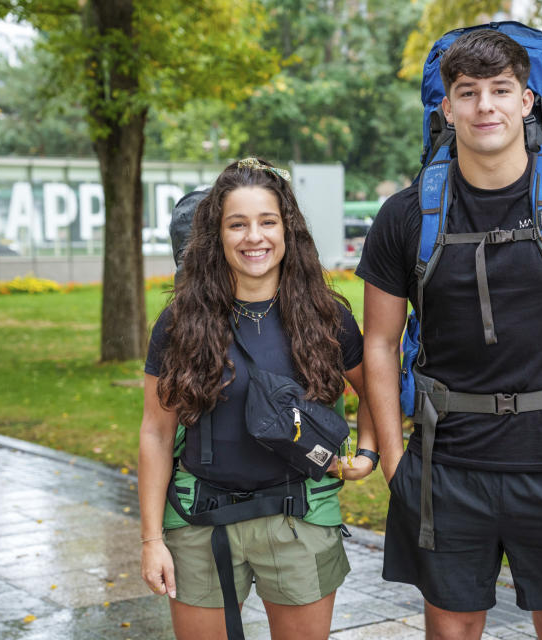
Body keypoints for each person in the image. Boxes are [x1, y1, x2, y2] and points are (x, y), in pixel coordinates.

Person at [357, 30, 542, 640]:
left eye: (500, 90)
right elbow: (379, 344)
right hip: (447, 468)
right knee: (451, 630)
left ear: (525, 100)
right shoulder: (405, 215)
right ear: (446, 107)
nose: (484, 105)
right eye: (467, 92)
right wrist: (392, 463)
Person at [138, 158, 378, 640]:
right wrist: (151, 540)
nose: (254, 237)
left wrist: (367, 453)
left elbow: (375, 388)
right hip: (199, 523)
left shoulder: (325, 316)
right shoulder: (179, 322)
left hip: (300, 521)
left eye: (267, 222)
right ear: (217, 235)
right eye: (237, 224)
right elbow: (156, 432)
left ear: (287, 229)